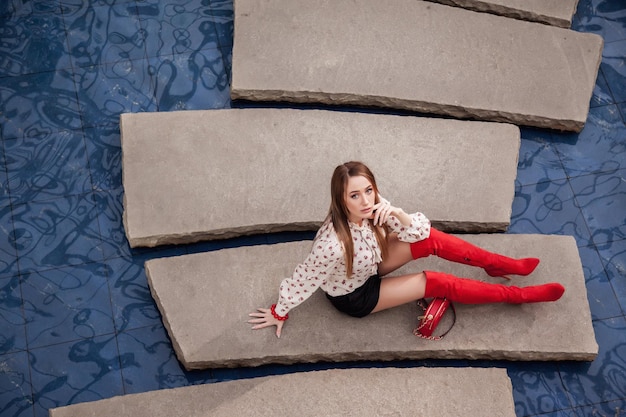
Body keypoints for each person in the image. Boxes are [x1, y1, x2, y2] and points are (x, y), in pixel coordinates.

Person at [249, 161, 565, 338]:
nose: (366, 201)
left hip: (370, 264)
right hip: (356, 295)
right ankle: (518, 297)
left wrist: (397, 215)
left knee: (430, 239)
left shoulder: (373, 208)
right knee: (437, 281)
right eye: (355, 196)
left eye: (369, 190)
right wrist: (279, 311)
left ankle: (500, 265)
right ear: (341, 199)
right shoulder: (331, 245)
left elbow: (417, 232)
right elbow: (305, 276)